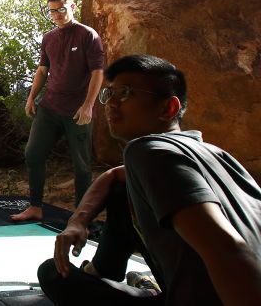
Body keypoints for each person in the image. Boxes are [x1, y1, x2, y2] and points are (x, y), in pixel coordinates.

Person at [38, 54, 261, 305]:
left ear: (169, 108)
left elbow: (227, 248)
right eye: (109, 94)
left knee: (53, 274)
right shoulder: (218, 155)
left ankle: (137, 287)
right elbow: (113, 176)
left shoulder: (148, 151)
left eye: (125, 93)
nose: (111, 103)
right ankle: (107, 272)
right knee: (122, 192)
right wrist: (77, 222)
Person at [11, 0, 104, 221]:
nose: (58, 14)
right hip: (50, 106)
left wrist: (88, 105)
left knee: (81, 166)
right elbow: (43, 70)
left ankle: (81, 216)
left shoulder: (88, 36)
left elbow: (97, 73)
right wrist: (31, 97)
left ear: (71, 7)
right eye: (53, 10)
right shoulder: (49, 38)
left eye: (62, 9)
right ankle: (35, 207)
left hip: (77, 110)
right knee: (33, 154)